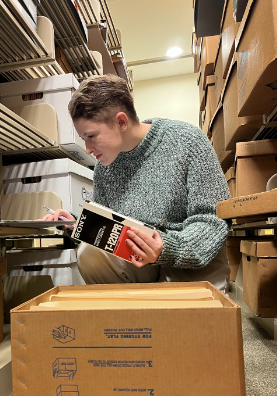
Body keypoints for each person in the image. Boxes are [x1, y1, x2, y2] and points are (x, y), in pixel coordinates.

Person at [42, 74, 231, 293]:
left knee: (195, 324)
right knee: (89, 254)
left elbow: (213, 220)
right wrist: (78, 225)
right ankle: (130, 320)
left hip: (191, 261)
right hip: (140, 263)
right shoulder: (105, 167)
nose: (88, 149)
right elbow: (107, 227)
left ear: (121, 122)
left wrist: (166, 248)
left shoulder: (187, 141)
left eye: (91, 136)